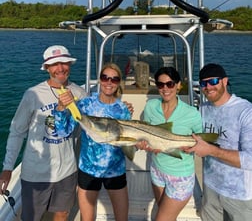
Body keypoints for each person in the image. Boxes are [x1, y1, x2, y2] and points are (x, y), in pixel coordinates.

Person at [0, 45, 87, 221]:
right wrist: (8, 168)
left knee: (62, 213)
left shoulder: (80, 93)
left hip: (67, 170)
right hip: (36, 172)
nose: (60, 68)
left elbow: (78, 133)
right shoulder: (32, 94)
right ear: (47, 68)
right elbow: (17, 132)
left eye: (64, 63)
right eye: (54, 64)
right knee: (31, 216)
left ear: (70, 64)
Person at [55, 62, 132, 221]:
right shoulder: (85, 104)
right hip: (88, 170)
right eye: (105, 78)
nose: (109, 82)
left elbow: (125, 140)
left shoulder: (123, 109)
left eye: (114, 79)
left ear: (119, 83)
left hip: (115, 170)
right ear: (99, 80)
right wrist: (61, 108)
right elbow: (64, 131)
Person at [184, 63, 252, 221]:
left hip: (240, 195)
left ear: (225, 81)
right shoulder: (202, 109)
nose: (208, 87)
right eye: (203, 83)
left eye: (213, 81)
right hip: (210, 189)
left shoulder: (246, 112)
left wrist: (211, 151)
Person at [142, 66, 202, 221]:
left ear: (178, 85)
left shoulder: (192, 114)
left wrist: (191, 148)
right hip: (157, 170)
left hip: (180, 175)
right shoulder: (150, 107)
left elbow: (201, 143)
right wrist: (143, 144)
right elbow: (144, 133)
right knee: (163, 211)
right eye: (161, 84)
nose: (165, 88)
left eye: (170, 84)